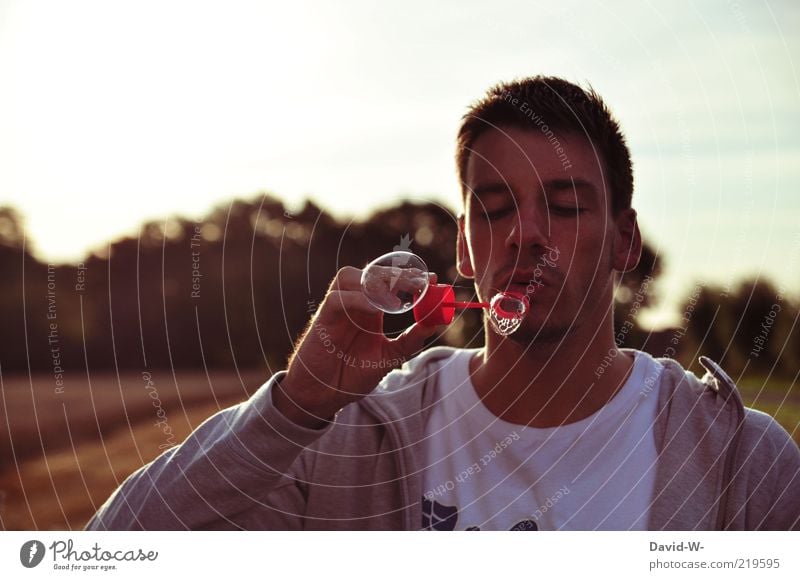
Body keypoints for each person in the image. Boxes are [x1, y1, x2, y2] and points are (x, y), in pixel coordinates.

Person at [85, 76, 800, 531]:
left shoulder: (742, 459)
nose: (524, 233)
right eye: (493, 209)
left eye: (566, 205)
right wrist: (298, 406)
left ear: (624, 242)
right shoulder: (353, 439)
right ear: (463, 250)